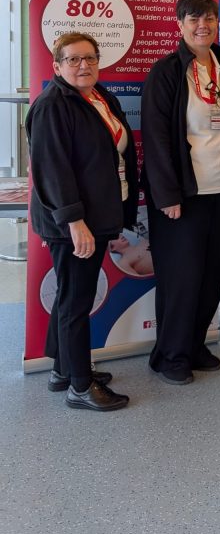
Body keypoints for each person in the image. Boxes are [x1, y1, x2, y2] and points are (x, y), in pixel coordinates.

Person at [141, 0, 220, 385]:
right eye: (193, 19)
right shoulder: (167, 71)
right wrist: (167, 195)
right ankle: (170, 354)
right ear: (180, 24)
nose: (202, 26)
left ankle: (193, 345)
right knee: (182, 278)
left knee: (211, 274)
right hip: (184, 195)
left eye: (209, 18)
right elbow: (156, 137)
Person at [26, 32, 138, 412]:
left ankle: (63, 369)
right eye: (73, 59)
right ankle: (79, 386)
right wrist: (75, 222)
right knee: (77, 301)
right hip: (75, 223)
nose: (83, 65)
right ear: (57, 66)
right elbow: (52, 171)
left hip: (97, 216)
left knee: (71, 296)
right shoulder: (52, 106)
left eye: (89, 58)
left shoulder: (99, 97)